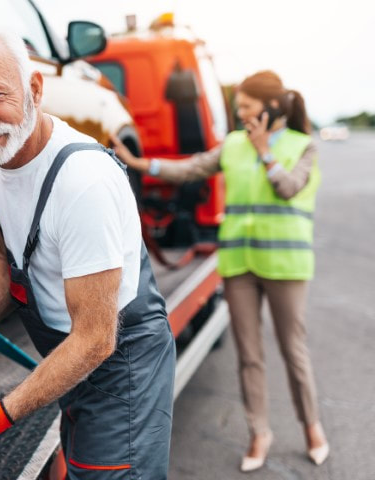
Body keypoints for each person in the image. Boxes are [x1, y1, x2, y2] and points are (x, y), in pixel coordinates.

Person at [0, 26, 176, 479]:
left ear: (34, 89)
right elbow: (6, 259)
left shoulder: (82, 183)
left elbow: (96, 338)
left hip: (119, 366)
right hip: (69, 356)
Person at [111, 70, 329, 472]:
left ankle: (312, 428)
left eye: (246, 107)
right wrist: (138, 163)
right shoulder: (233, 145)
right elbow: (191, 168)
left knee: (293, 351)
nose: (240, 114)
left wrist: (265, 151)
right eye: (239, 107)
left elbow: (289, 188)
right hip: (239, 264)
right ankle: (259, 433)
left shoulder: (304, 146)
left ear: (272, 107)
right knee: (249, 355)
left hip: (285, 266)